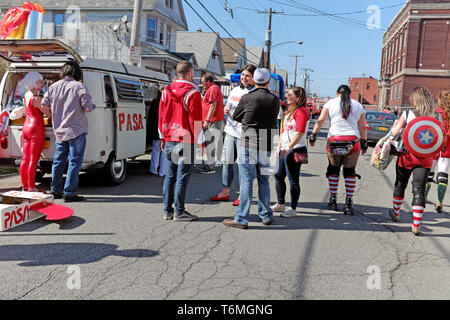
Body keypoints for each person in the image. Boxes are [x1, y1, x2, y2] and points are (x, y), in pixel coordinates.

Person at [222, 68, 280, 229]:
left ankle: (241, 218)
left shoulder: (248, 97)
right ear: (268, 82)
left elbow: (237, 116)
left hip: (248, 140)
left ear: (254, 81)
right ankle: (266, 214)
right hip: (266, 142)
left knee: (246, 180)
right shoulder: (275, 100)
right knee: (264, 180)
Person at [387, 87, 440, 236]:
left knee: (400, 184)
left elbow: (394, 133)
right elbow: (440, 137)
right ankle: (416, 225)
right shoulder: (436, 116)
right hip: (425, 159)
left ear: (415, 100)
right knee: (419, 189)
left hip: (407, 157)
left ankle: (396, 212)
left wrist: (394, 128)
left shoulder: (408, 113)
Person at [309, 84, 368, 215]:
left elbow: (320, 121)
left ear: (337, 93)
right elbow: (362, 126)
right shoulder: (358, 105)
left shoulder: (330, 103)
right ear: (350, 93)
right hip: (353, 141)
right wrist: (364, 142)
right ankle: (348, 202)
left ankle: (333, 199)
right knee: (349, 171)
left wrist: (313, 135)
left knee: (333, 169)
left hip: (334, 140)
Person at [41, 61, 96, 202]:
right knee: (74, 162)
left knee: (58, 161)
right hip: (76, 130)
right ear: (76, 72)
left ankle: (55, 190)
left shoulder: (53, 87)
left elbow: (44, 105)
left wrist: (51, 115)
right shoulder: (79, 86)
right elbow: (88, 107)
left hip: (60, 131)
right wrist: (93, 105)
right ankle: (70, 193)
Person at [159, 61, 202, 221]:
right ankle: (179, 211)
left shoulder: (166, 91)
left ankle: (167, 210)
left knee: (170, 176)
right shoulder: (193, 93)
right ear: (190, 72)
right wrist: (200, 142)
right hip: (186, 140)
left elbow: (161, 115)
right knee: (182, 177)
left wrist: (162, 136)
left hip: (169, 137)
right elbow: (195, 121)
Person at [209, 64, 256, 205]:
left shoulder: (254, 93)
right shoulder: (235, 89)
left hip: (244, 134)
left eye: (248, 75)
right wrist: (226, 109)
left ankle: (243, 194)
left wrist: (235, 114)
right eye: (243, 75)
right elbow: (227, 105)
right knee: (227, 163)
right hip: (230, 131)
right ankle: (225, 191)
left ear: (254, 78)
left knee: (243, 166)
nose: (244, 78)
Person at [272, 87, 310, 217]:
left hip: (295, 149)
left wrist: (289, 147)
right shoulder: (289, 112)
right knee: (278, 175)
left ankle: (293, 209)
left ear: (298, 98)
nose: (287, 97)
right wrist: (279, 147)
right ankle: (281, 204)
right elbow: (283, 131)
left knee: (293, 179)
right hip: (285, 148)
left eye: (290, 95)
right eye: (287, 95)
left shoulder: (302, 112)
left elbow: (299, 132)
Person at [19, 72, 51, 192]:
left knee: (25, 158)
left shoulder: (27, 95)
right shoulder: (38, 99)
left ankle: (25, 186)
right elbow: (48, 114)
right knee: (33, 158)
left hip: (26, 126)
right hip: (36, 128)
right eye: (40, 81)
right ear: (35, 82)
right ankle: (32, 186)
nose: (43, 83)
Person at [424, 89, 450, 213]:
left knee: (429, 172)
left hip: (435, 144)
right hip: (448, 146)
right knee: (443, 174)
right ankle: (440, 201)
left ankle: (423, 197)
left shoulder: (435, 112)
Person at [199, 73, 224, 174]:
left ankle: (210, 166)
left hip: (213, 120)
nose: (203, 84)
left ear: (208, 81)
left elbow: (213, 105)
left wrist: (207, 120)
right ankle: (210, 164)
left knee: (210, 142)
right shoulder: (212, 88)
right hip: (213, 119)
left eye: (203, 82)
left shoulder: (213, 88)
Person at [147, 89, 165, 177]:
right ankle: (163, 171)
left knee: (155, 149)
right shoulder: (169, 103)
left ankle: (153, 170)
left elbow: (150, 116)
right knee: (164, 151)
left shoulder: (155, 102)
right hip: (165, 129)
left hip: (155, 129)